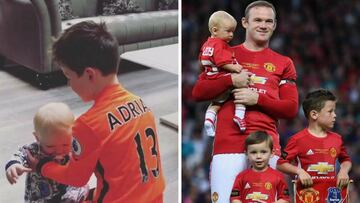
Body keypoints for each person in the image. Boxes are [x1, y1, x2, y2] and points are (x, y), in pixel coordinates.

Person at [27, 21, 165, 202]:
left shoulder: (88, 125)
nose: (69, 85)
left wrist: (42, 166)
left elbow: (76, 178)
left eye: (68, 76)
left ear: (89, 74)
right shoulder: (141, 104)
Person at [192, 1, 298, 203]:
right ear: (244, 23)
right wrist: (231, 79)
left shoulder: (284, 63)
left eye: (269, 21)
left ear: (275, 25)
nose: (263, 25)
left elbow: (291, 108)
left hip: (266, 149)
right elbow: (198, 92)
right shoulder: (225, 53)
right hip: (228, 146)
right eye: (257, 20)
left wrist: (257, 98)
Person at [5, 102, 88, 202]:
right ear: (37, 137)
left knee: (81, 188)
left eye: (65, 144)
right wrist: (13, 164)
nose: (59, 151)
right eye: (50, 146)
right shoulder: (34, 150)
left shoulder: (75, 147)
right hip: (41, 197)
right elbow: (20, 154)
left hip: (69, 192)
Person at [277, 89, 352, 189]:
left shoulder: (337, 139)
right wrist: (299, 171)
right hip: (307, 196)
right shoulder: (297, 140)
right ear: (314, 114)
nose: (335, 115)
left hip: (331, 196)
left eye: (334, 111)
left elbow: (346, 160)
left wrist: (343, 171)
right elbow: (280, 164)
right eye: (330, 111)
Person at [200, 10, 247, 136]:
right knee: (243, 86)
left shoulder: (206, 44)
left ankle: (209, 120)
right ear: (215, 30)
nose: (231, 35)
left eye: (233, 31)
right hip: (220, 76)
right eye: (228, 31)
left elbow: (202, 61)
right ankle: (239, 115)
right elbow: (222, 62)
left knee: (217, 102)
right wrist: (234, 68)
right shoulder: (220, 44)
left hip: (210, 77)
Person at [231, 131, 289, 203]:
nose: (258, 156)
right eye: (253, 152)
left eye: (263, 152)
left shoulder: (278, 176)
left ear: (272, 153)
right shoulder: (241, 176)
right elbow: (235, 198)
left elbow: (285, 199)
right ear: (246, 154)